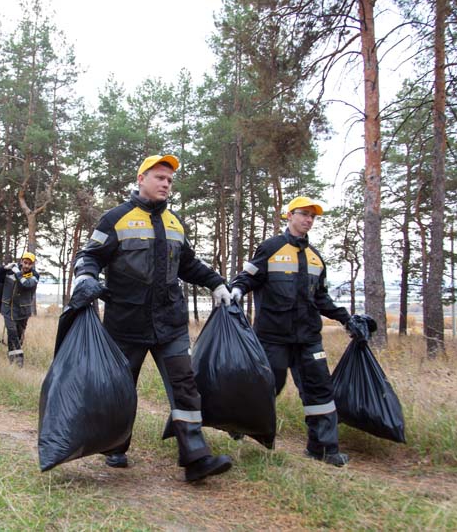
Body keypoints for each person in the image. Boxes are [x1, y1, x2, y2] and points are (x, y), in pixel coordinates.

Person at [72, 154, 233, 483]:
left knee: (186, 387)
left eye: (170, 180)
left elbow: (188, 264)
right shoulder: (115, 219)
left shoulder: (175, 224)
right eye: (159, 177)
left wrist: (217, 282)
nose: (165, 184)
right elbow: (89, 256)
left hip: (170, 324)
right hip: (125, 323)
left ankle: (195, 458)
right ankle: (115, 446)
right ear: (141, 178)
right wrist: (85, 278)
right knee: (121, 388)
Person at [230, 196, 369, 467]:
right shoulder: (270, 248)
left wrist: (346, 319)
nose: (308, 220)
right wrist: (235, 290)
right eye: (303, 214)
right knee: (269, 386)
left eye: (312, 217)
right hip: (272, 337)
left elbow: (322, 299)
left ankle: (324, 449)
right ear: (289, 215)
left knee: (320, 392)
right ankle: (243, 424)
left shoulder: (316, 259)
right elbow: (248, 277)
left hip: (308, 339)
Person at [0, 252, 39, 368]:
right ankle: (17, 361)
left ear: (32, 265)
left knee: (19, 335)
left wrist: (17, 273)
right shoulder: (10, 271)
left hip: (23, 311)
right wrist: (4, 268)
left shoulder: (34, 275)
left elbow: (26, 285)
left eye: (29, 264)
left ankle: (15, 353)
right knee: (12, 333)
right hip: (8, 309)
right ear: (21, 261)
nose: (26, 266)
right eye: (25, 262)